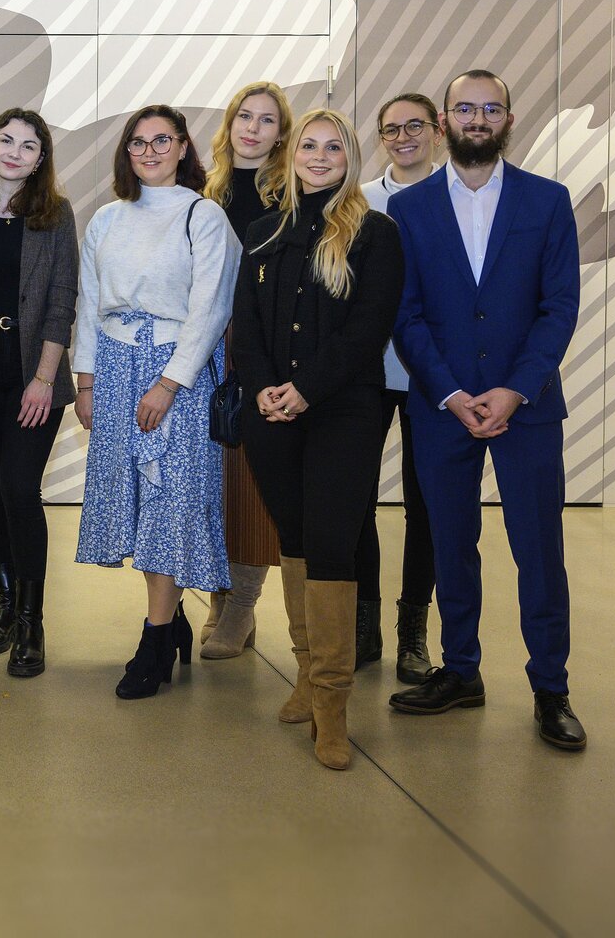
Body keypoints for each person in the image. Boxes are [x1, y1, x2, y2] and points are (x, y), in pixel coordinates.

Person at [387, 70, 586, 752]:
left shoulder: (548, 202)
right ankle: (461, 671)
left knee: (539, 551)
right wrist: (448, 390)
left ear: (508, 117)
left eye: (490, 108)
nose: (478, 118)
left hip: (525, 408)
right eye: (465, 108)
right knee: (451, 545)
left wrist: (515, 389)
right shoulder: (408, 212)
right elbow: (405, 314)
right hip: (441, 407)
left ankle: (550, 687)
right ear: (444, 121)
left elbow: (559, 308)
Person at [232, 109, 404, 770]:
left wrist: (306, 390)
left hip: (345, 411)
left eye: (335, 147)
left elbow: (369, 329)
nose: (321, 155)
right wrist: (269, 389)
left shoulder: (375, 234)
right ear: (292, 153)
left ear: (350, 157)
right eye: (310, 144)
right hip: (270, 409)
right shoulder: (262, 232)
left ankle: (332, 705)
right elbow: (245, 323)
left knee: (333, 542)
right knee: (295, 539)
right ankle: (306, 675)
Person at [74, 104, 239, 700]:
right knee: (137, 502)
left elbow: (211, 308)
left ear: (182, 146)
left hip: (177, 374)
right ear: (126, 151)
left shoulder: (204, 215)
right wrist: (86, 382)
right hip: (117, 368)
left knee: (168, 505)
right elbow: (89, 303)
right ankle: (170, 625)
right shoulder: (106, 220)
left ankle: (153, 639)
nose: (149, 151)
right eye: (138, 142)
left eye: (161, 140)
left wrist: (169, 383)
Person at [0, 109, 78, 678]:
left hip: (36, 378)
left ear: (40, 159)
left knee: (18, 487)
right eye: (5, 139)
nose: (14, 151)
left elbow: (62, 300)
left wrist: (42, 375)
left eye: (28, 145)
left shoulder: (55, 216)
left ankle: (32, 624)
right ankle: (5, 605)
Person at [198, 82, 292, 659]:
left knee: (253, 483)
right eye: (244, 117)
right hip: (205, 350)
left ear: (282, 133)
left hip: (261, 351)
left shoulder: (289, 194)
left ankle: (241, 607)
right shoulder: (204, 191)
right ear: (230, 124)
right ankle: (217, 594)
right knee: (213, 481)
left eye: (267, 120)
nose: (253, 129)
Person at [356, 92, 443, 681]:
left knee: (426, 507)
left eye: (416, 126)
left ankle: (413, 632)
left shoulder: (452, 196)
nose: (404, 136)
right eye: (392, 128)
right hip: (364, 374)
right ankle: (364, 628)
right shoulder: (359, 202)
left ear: (437, 130)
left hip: (429, 377)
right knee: (355, 501)